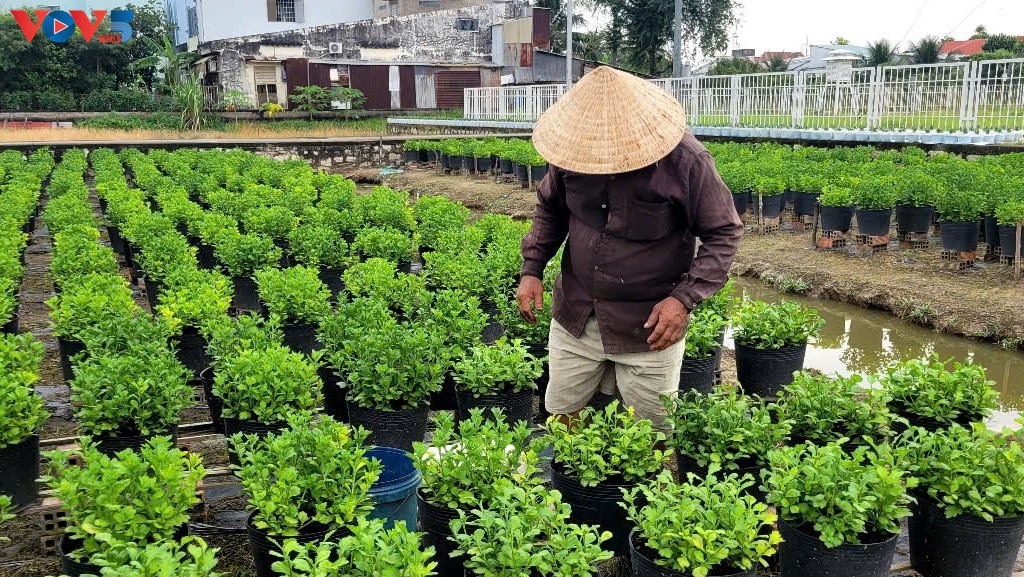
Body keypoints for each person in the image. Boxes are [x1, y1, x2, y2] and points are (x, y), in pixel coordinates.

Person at [516, 66, 743, 432]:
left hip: (650, 326)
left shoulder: (686, 161)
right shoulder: (573, 152)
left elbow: (724, 232)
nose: (603, 155)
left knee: (652, 430)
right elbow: (550, 208)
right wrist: (532, 268)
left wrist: (683, 299)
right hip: (577, 312)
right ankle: (573, 469)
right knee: (561, 414)